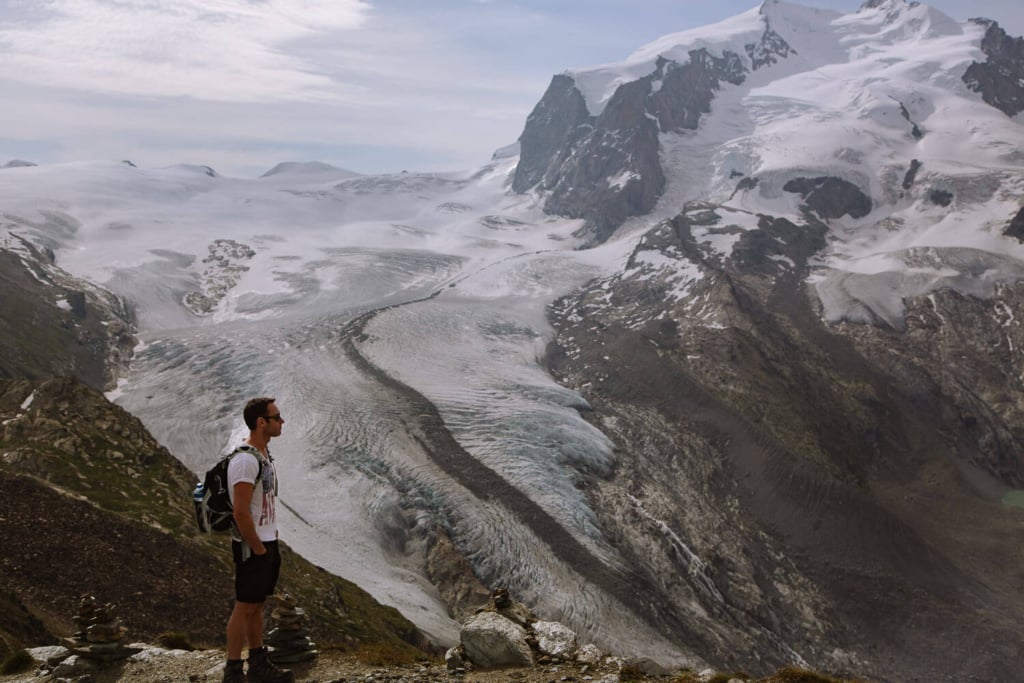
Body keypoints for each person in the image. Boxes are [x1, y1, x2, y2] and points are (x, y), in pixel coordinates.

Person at [222, 397, 294, 683]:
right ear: (261, 422)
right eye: (276, 417)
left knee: (256, 605)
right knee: (244, 606)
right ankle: (233, 670)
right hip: (252, 546)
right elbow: (240, 511)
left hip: (265, 542)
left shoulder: (263, 456)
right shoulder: (244, 460)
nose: (281, 422)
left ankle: (257, 662)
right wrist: (257, 547)